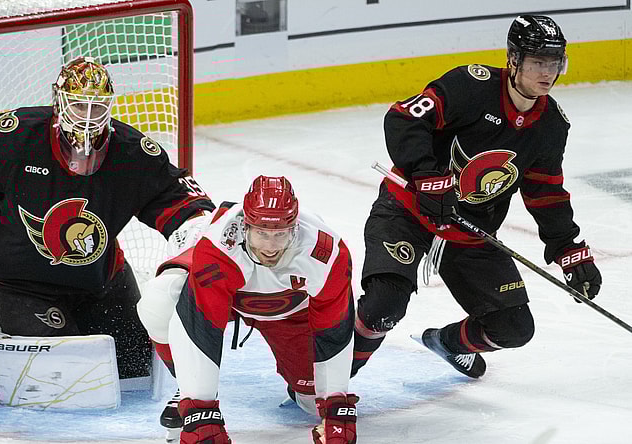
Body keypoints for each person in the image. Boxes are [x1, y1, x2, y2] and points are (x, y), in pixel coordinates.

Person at [0, 56, 215, 382]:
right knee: (69, 373)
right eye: (78, 104)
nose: (88, 115)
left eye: (98, 106)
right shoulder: (18, 135)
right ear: (58, 99)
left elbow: (177, 197)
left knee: (137, 368)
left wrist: (197, 237)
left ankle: (25, 337)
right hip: (17, 282)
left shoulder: (132, 153)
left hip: (100, 281)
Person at [351, 15, 602, 379]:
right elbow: (404, 119)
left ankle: (448, 344)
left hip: (469, 229)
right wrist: (426, 176)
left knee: (514, 328)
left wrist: (568, 249)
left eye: (554, 62)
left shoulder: (550, 126)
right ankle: (327, 381)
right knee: (382, 308)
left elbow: (545, 191)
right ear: (513, 59)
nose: (547, 72)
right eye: (537, 62)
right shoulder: (471, 86)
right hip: (409, 211)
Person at [137, 176, 358, 444]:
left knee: (313, 404)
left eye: (279, 234)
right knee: (159, 299)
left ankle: (301, 383)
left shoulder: (326, 251)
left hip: (290, 312)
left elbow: (333, 326)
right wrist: (200, 410)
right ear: (245, 226)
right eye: (262, 233)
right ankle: (186, 389)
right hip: (228, 296)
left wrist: (335, 404)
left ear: (294, 227)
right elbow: (201, 325)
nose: (270, 246)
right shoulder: (219, 245)